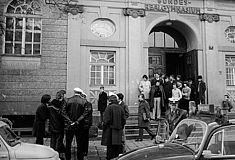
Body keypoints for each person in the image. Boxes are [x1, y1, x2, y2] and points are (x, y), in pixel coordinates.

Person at [63, 87, 86, 160]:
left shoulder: (67, 100)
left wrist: (69, 121)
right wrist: (77, 121)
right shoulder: (84, 101)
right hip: (79, 126)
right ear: (80, 93)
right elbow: (85, 114)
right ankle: (80, 158)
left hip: (69, 126)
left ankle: (68, 158)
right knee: (80, 144)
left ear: (74, 92)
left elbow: (63, 112)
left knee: (68, 144)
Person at [101, 94, 126, 160]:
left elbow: (106, 120)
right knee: (117, 147)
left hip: (110, 131)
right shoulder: (120, 108)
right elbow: (124, 120)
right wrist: (121, 127)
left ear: (110, 101)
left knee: (110, 148)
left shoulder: (108, 108)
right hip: (118, 131)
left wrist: (103, 127)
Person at [48, 92, 66, 159]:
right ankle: (57, 154)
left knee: (53, 139)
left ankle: (51, 152)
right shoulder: (61, 105)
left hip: (52, 125)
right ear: (61, 97)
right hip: (59, 125)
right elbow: (62, 115)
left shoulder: (51, 104)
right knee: (59, 140)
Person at [81, 91, 93, 159]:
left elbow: (88, 114)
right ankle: (84, 150)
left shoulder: (87, 104)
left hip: (85, 124)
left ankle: (84, 151)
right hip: (85, 123)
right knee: (83, 138)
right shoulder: (87, 104)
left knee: (85, 138)